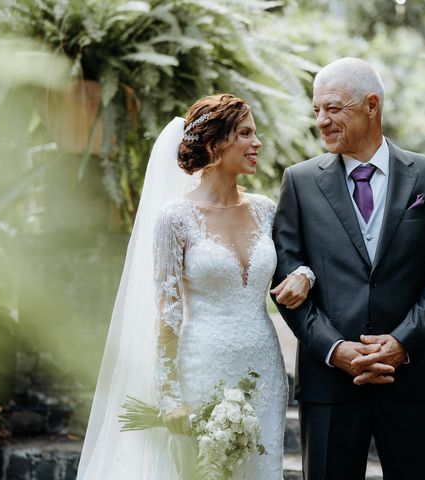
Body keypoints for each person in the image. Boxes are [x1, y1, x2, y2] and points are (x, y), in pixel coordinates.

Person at [77, 94, 314, 479]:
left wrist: (305, 275)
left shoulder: (267, 209)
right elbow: (167, 314)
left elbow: (296, 263)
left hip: (265, 371)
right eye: (245, 133)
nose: (257, 143)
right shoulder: (175, 218)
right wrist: (170, 397)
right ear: (214, 145)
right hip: (202, 368)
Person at [272, 57, 425, 479]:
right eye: (316, 110)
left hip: (408, 377)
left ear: (371, 105)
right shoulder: (299, 183)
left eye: (333, 108)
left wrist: (402, 342)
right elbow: (285, 280)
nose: (321, 121)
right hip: (329, 381)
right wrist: (334, 349)